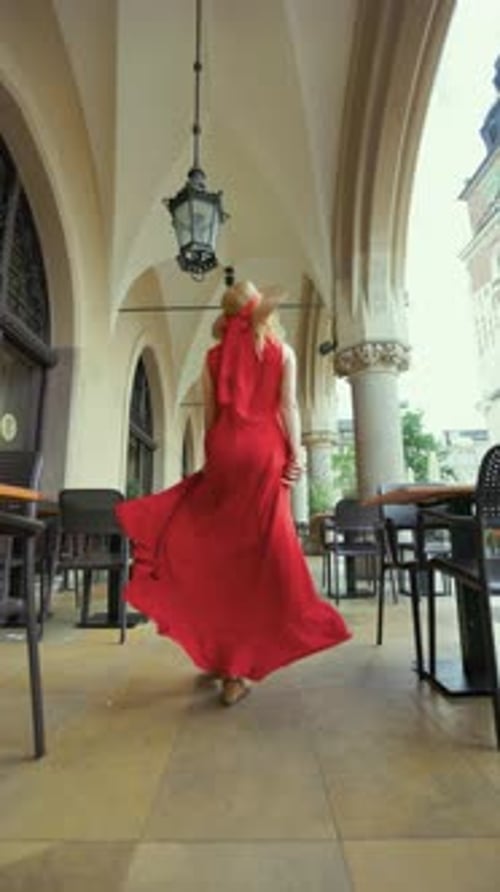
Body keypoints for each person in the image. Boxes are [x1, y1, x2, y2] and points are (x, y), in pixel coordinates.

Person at [115, 281, 351, 706]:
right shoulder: (284, 352)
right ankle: (236, 668)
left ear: (226, 316)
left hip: (226, 451)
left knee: (218, 554)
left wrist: (213, 470)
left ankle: (222, 655)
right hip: (264, 454)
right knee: (258, 557)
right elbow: (288, 408)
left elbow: (210, 418)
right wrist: (295, 452)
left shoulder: (211, 358)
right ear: (261, 310)